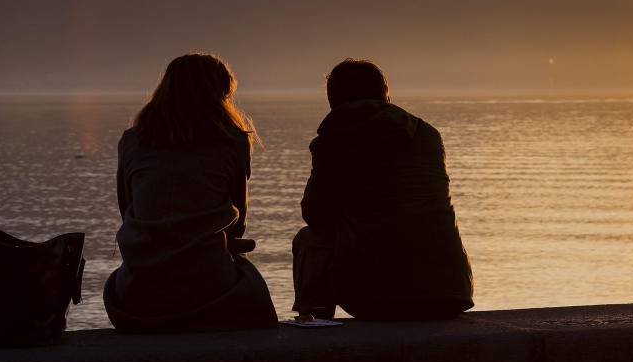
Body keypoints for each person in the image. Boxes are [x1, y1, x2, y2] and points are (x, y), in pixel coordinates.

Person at [103, 53, 278, 333]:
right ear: (221, 93)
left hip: (138, 294)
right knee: (248, 276)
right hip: (208, 289)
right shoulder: (233, 141)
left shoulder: (131, 140)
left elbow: (128, 212)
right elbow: (238, 225)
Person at [292, 59, 474, 321]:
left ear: (333, 102)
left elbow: (315, 215)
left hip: (375, 299)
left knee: (307, 239)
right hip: (449, 293)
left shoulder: (330, 143)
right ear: (386, 96)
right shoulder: (428, 135)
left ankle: (316, 326)